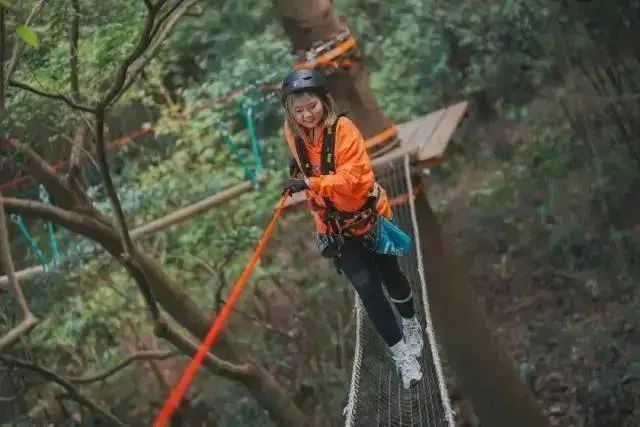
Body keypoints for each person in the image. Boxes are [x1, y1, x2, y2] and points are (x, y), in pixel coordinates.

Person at [280, 68, 424, 389]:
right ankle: (402, 354)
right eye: (298, 111)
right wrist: (300, 167)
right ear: (290, 113)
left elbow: (355, 180)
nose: (306, 116)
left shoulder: (344, 130)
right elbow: (308, 158)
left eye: (311, 106)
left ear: (324, 101)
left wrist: (311, 182)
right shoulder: (293, 133)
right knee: (368, 290)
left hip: (368, 216)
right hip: (335, 228)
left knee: (391, 275)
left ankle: (411, 323)